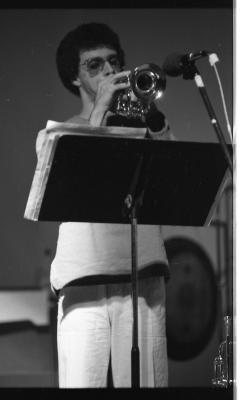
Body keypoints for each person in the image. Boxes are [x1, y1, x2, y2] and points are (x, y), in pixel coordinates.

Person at [36, 22, 174, 388]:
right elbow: (72, 182)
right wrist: (100, 112)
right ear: (74, 79)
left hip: (142, 272)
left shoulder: (145, 129)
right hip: (84, 278)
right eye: (94, 65)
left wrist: (153, 121)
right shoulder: (57, 133)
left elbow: (175, 178)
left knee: (150, 383)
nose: (110, 70)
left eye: (113, 61)